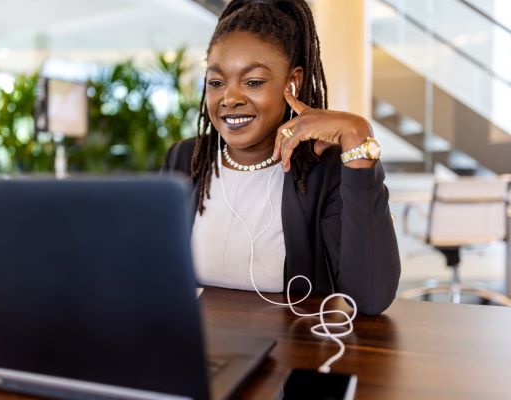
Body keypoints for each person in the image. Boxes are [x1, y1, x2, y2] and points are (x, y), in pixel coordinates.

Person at [162, 0, 400, 315]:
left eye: (253, 82)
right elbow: (155, 276)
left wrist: (357, 137)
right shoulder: (186, 159)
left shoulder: (323, 170)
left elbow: (370, 297)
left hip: (292, 354)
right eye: (216, 82)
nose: (230, 98)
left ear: (293, 82)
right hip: (195, 353)